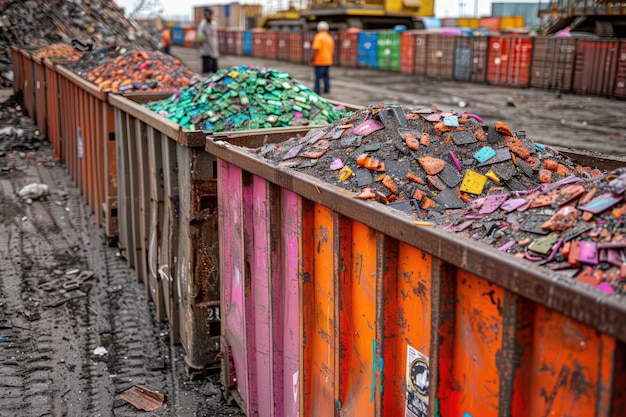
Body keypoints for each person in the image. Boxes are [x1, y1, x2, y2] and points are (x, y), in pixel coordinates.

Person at [310, 21, 334, 95]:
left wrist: (312, 58)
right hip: (328, 60)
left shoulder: (318, 37)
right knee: (326, 76)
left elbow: (316, 48)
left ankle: (317, 90)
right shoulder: (329, 37)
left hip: (319, 61)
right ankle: (326, 89)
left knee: (318, 77)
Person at [197, 7, 219, 74]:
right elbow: (199, 37)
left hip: (214, 51)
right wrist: (200, 44)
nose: (207, 16)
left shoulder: (214, 23)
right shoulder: (202, 25)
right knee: (206, 73)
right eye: (205, 15)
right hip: (206, 52)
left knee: (215, 72)